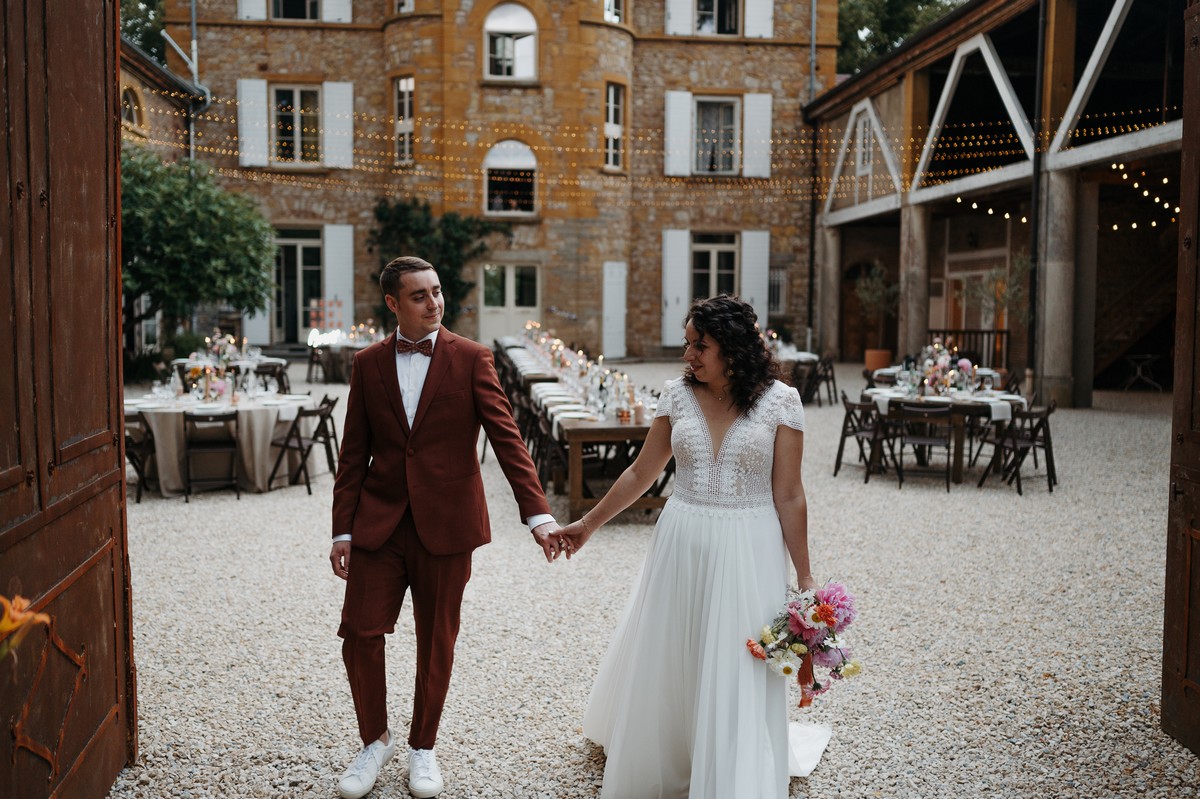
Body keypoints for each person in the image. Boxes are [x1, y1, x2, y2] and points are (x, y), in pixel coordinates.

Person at [558, 294, 830, 798]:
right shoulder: (675, 396)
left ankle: (731, 766)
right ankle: (674, 751)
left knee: (738, 658)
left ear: (732, 348)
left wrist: (806, 576)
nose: (688, 355)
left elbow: (789, 494)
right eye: (687, 344)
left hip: (751, 544)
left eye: (698, 346)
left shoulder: (781, 402)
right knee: (676, 646)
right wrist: (588, 524)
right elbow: (642, 471)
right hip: (682, 537)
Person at [329, 256, 565, 799]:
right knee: (360, 632)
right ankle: (375, 739)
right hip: (379, 525)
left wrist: (539, 515)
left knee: (436, 640)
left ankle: (423, 748)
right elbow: (353, 454)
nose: (433, 302)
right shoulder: (368, 364)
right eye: (419, 295)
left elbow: (508, 441)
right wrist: (343, 530)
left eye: (437, 292)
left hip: (448, 526)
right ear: (393, 303)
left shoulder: (473, 359)